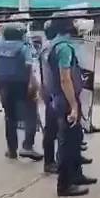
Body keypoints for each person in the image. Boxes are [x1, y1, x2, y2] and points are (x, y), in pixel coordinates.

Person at [44, 13, 98, 197]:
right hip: (66, 100)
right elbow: (65, 78)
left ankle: (76, 175)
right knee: (67, 143)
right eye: (74, 21)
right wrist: (74, 106)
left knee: (75, 140)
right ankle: (65, 184)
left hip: (66, 98)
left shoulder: (58, 43)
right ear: (67, 26)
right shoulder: (63, 47)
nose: (78, 24)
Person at [0, 22, 43, 161]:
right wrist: (33, 86)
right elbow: (30, 67)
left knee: (10, 119)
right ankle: (27, 147)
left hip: (5, 87)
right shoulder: (24, 47)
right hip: (23, 85)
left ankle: (12, 150)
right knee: (31, 116)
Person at [41, 20, 59, 174]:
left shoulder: (50, 46)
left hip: (52, 92)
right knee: (52, 129)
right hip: (54, 93)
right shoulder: (51, 48)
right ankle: (49, 162)